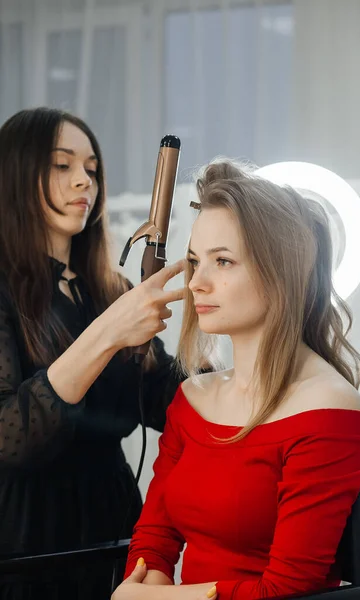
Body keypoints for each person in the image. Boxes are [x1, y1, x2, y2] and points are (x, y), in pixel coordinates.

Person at [115, 159, 360, 600]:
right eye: (196, 261)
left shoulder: (330, 409)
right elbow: (153, 541)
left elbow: (288, 589)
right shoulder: (192, 398)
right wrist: (149, 585)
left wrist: (158, 597)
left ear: (282, 274)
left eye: (223, 261)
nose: (197, 283)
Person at [0, 107, 185, 599]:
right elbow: (11, 438)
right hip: (26, 544)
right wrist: (107, 333)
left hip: (117, 528)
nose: (84, 182)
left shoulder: (109, 289)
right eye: (63, 165)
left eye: (92, 169)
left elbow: (170, 400)